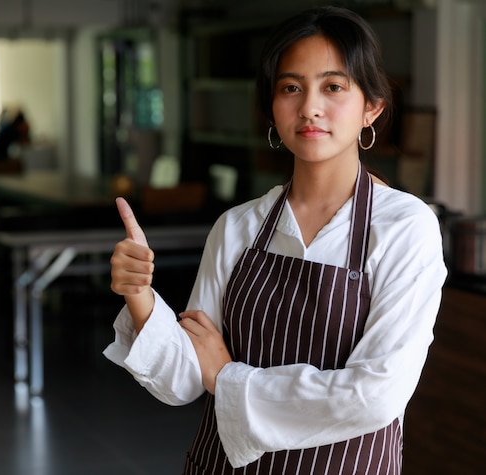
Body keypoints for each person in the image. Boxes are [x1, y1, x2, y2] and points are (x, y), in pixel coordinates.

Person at [103, 6, 447, 474]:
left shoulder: (405, 226)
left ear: (372, 107)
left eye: (333, 86)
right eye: (291, 88)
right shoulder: (238, 227)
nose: (309, 107)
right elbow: (184, 380)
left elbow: (373, 395)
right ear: (271, 108)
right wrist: (140, 294)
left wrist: (228, 377)